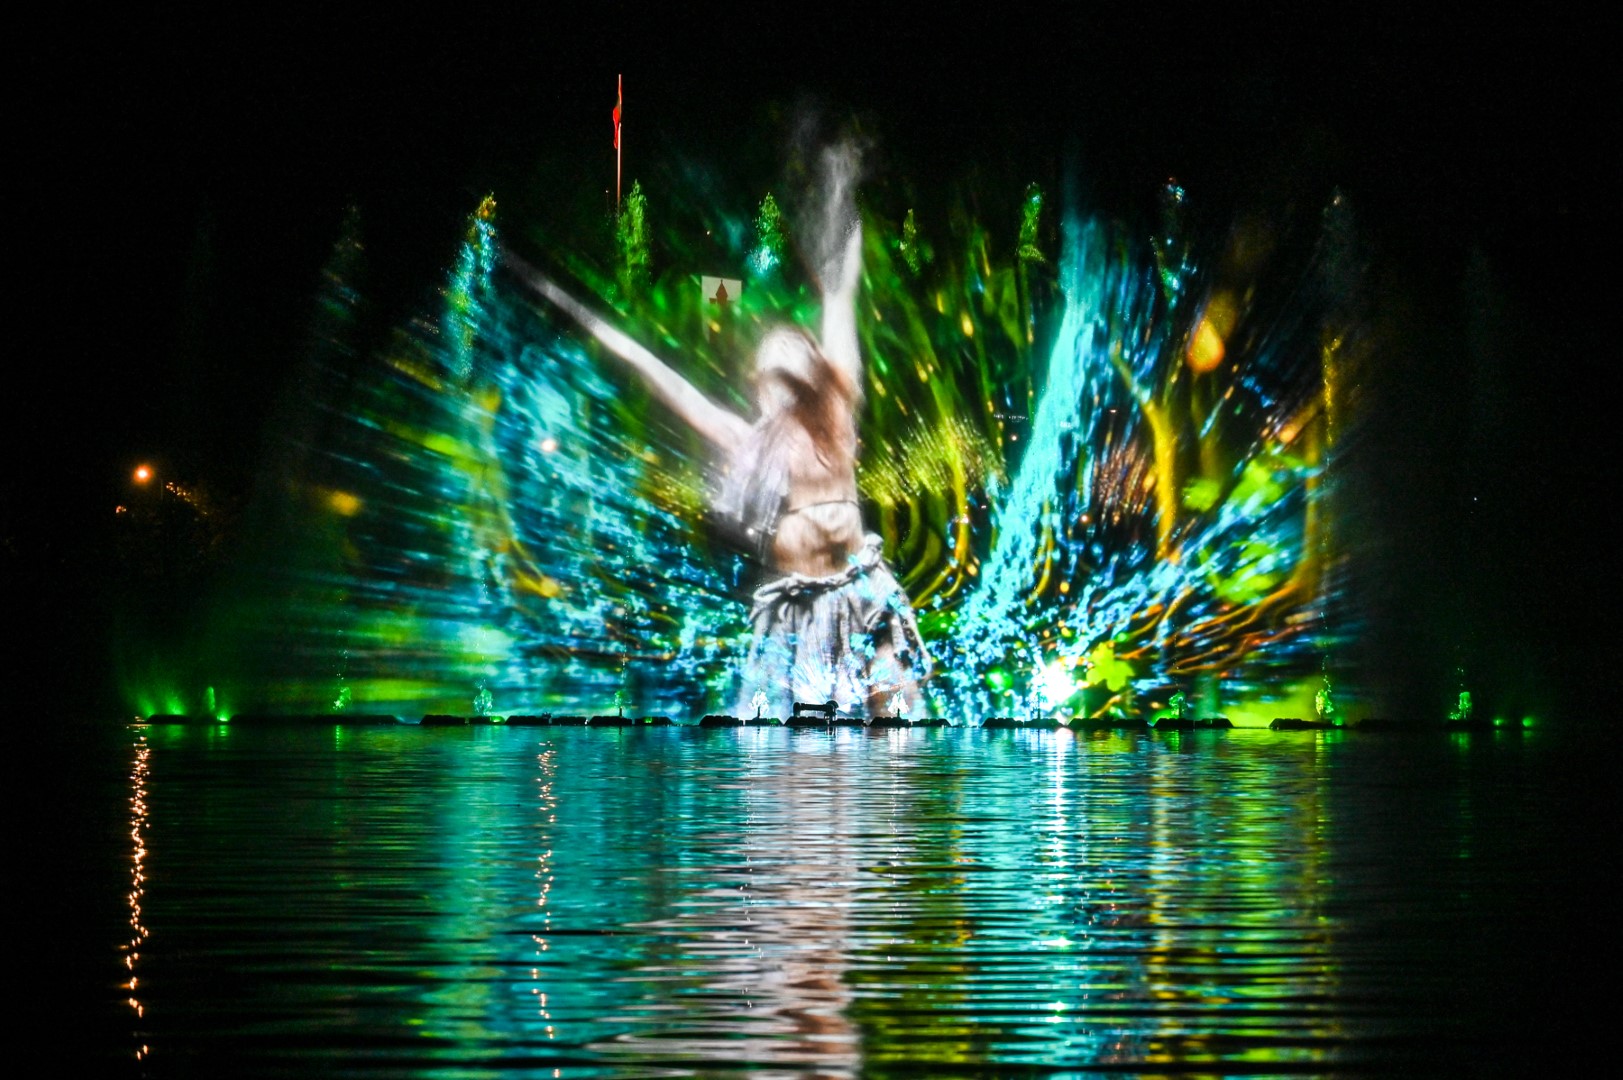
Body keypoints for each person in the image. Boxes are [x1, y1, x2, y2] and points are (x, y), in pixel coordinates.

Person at [509, 151, 931, 717]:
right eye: (772, 367)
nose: (783, 372)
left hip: (861, 589)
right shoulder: (753, 437)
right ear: (762, 385)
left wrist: (842, 198)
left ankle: (896, 760)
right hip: (798, 605)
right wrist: (600, 329)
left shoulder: (835, 414)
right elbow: (670, 385)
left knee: (897, 713)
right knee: (795, 739)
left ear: (812, 372)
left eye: (793, 359)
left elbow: (839, 302)